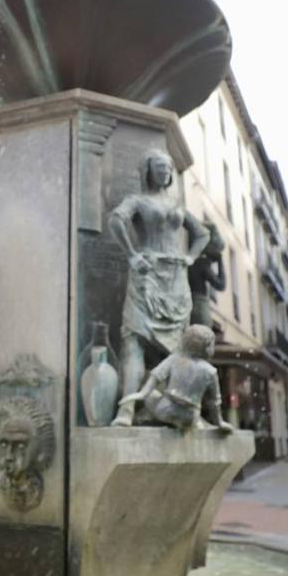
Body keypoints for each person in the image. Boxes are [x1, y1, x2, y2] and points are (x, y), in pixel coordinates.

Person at [109, 149, 208, 420]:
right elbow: (116, 220)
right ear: (148, 171)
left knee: (181, 348)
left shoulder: (177, 205)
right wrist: (131, 255)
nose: (164, 171)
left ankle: (183, 410)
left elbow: (202, 234)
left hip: (175, 280)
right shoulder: (137, 200)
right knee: (134, 341)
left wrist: (190, 257)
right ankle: (126, 409)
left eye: (167, 167)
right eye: (158, 166)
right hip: (147, 276)